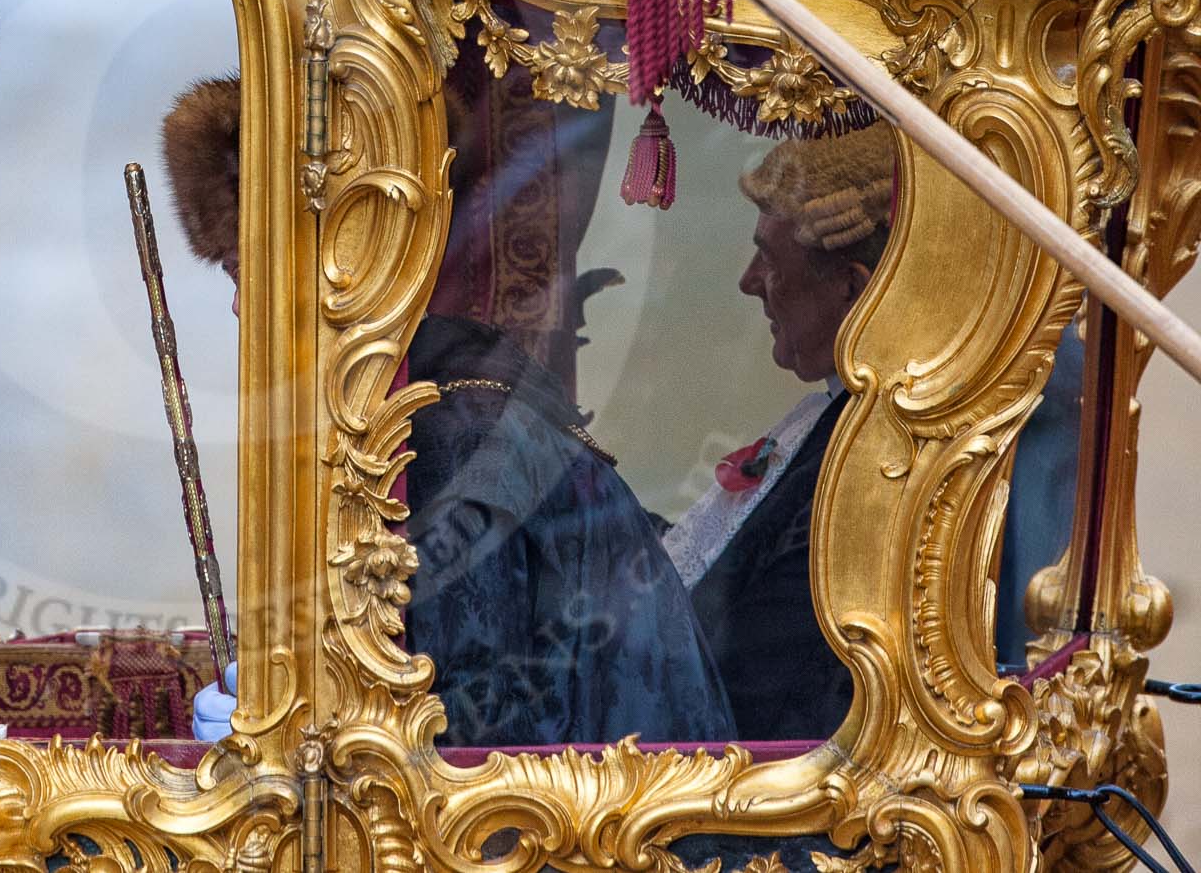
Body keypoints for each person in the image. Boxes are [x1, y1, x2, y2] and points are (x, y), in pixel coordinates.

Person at [166, 77, 733, 747]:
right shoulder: (435, 404)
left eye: (246, 271)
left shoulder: (446, 433)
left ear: (341, 262)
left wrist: (288, 727)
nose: (238, 308)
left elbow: (469, 740)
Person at [661, 122, 895, 739]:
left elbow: (746, 674)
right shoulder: (830, 420)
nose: (747, 281)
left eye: (769, 256)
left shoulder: (863, 464)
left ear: (854, 289)